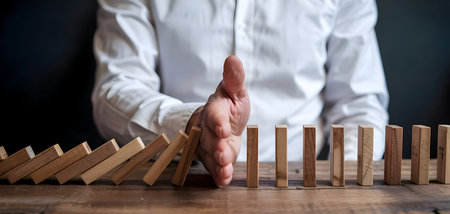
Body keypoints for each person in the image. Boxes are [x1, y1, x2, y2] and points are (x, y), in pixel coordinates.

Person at [92, 0, 389, 187]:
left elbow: (359, 101)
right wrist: (193, 124)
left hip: (303, 191)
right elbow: (114, 90)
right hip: (177, 184)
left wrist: (346, 182)